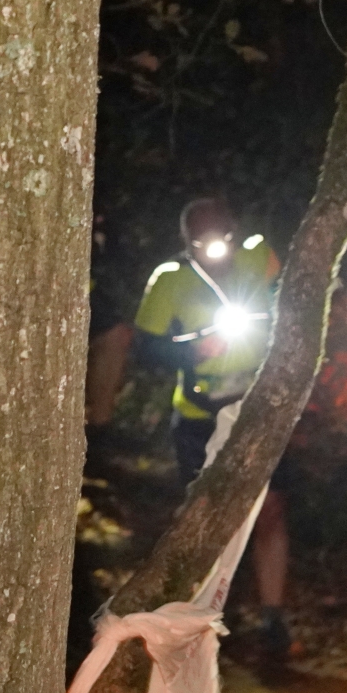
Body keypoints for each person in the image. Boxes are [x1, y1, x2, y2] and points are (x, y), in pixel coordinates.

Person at [132, 198, 294, 655]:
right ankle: (205, 614)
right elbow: (145, 347)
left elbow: (295, 294)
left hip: (260, 409)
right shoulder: (171, 279)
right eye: (201, 243)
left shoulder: (258, 254)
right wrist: (193, 350)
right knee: (205, 516)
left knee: (271, 508)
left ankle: (273, 616)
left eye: (222, 239)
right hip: (200, 417)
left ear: (235, 231)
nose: (214, 250)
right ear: (186, 242)